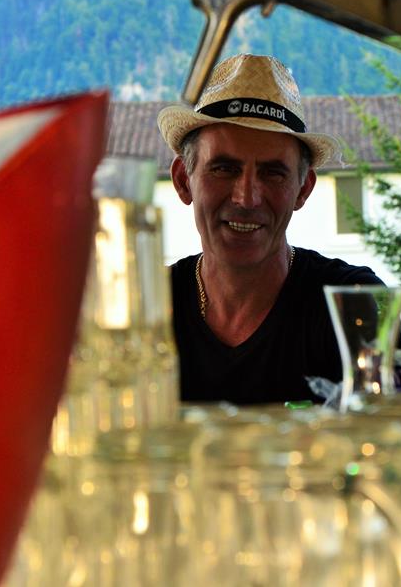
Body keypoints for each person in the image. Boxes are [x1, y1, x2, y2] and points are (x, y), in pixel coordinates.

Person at [157, 54, 386, 404]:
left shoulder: (354, 303)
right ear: (183, 181)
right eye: (224, 169)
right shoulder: (149, 309)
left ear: (303, 189)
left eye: (273, 173)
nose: (247, 198)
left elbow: (398, 430)